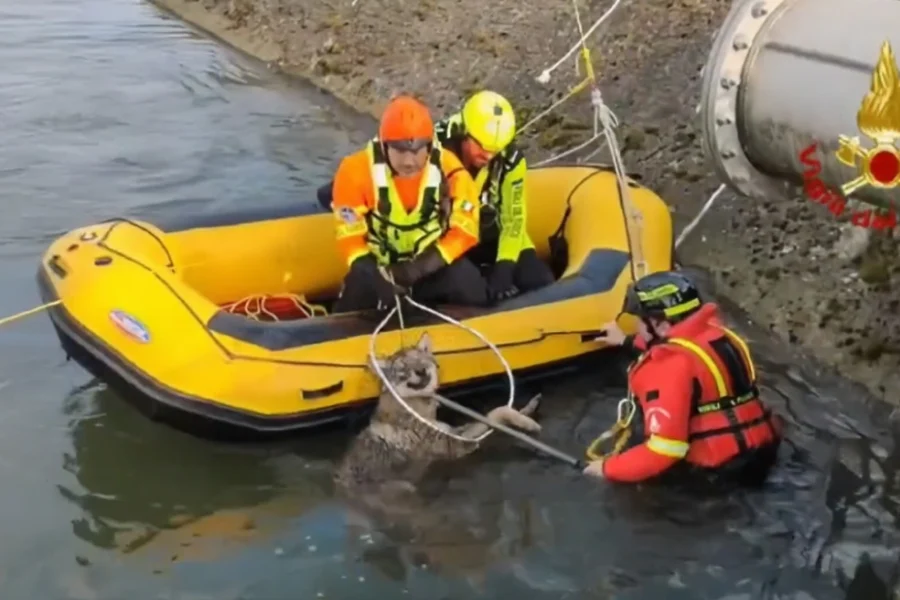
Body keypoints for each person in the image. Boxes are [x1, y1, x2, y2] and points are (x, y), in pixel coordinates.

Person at [582, 271, 782, 484]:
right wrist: (626, 341)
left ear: (662, 324)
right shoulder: (722, 336)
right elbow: (684, 348)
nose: (636, 327)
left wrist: (606, 468)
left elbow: (663, 451)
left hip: (714, 473)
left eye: (641, 320)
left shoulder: (667, 367)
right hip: (764, 451)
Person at [330, 95, 488, 313]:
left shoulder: (451, 171)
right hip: (379, 270)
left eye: (416, 151)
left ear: (430, 146)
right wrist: (376, 275)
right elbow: (349, 236)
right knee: (356, 290)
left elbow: (466, 230)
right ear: (384, 147)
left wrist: (416, 269)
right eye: (400, 150)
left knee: (469, 284)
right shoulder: (354, 172)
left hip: (430, 267)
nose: (409, 161)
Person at [434, 90, 554, 302]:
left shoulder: (511, 160)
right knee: (471, 294)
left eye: (495, 150)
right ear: (465, 133)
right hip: (451, 235)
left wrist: (504, 267)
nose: (488, 156)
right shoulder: (435, 148)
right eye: (482, 147)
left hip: (492, 232)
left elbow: (514, 220)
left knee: (540, 281)